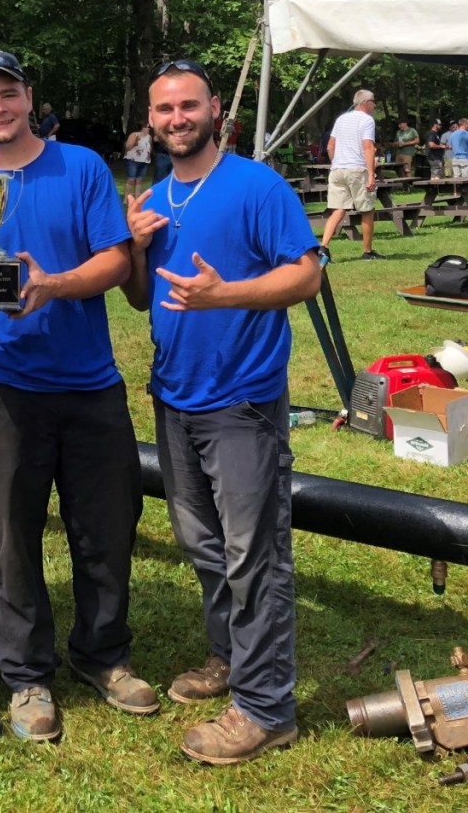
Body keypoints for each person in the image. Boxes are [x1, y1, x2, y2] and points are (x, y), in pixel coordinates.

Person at [0, 50, 155, 743]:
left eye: (8, 94)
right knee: (11, 536)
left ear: (29, 97)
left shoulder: (82, 167)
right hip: (2, 386)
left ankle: (104, 656)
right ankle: (27, 675)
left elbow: (117, 261)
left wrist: (51, 285)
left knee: (106, 528)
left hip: (89, 383)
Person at [121, 59, 320, 765]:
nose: (177, 118)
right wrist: (138, 249)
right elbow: (144, 300)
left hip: (242, 401)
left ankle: (267, 709)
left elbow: (307, 272)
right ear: (152, 121)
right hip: (174, 398)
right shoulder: (157, 196)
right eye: (164, 109)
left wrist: (225, 294)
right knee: (205, 546)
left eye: (188, 106)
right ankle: (230, 656)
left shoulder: (256, 186)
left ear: (215, 112)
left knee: (254, 554)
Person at [319, 89, 384, 261]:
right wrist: (371, 174)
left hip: (337, 170)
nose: (375, 105)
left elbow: (330, 147)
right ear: (365, 102)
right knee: (367, 209)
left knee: (338, 210)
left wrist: (336, 163)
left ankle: (323, 248)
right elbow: (368, 147)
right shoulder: (367, 120)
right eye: (373, 101)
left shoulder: (341, 119)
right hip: (357, 169)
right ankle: (368, 252)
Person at [123, 123, 152, 200]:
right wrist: (136, 140)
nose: (149, 129)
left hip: (144, 161)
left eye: (149, 128)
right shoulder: (134, 134)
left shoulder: (149, 137)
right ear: (142, 128)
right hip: (133, 160)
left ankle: (137, 198)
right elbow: (128, 147)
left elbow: (149, 148)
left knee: (139, 180)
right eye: (147, 127)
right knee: (131, 180)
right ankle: (126, 199)